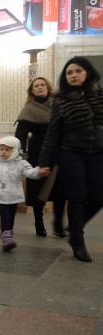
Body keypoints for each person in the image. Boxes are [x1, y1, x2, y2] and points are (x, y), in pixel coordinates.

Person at [39, 56, 103, 262]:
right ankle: (77, 240)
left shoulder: (100, 95)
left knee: (98, 197)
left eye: (78, 71)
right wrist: (45, 162)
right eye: (69, 72)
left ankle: (75, 225)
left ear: (88, 73)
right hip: (71, 153)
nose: (73, 75)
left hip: (98, 154)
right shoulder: (61, 99)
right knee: (78, 196)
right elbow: (52, 132)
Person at [15, 76, 68, 238]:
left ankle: (58, 224)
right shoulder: (28, 109)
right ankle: (39, 223)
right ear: (32, 90)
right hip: (37, 153)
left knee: (61, 191)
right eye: (36, 85)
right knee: (38, 190)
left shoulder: (58, 106)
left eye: (42, 85)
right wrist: (21, 156)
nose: (39, 87)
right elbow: (21, 135)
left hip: (58, 152)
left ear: (48, 87)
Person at [0, 136, 44, 251]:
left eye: (7, 150)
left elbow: (30, 173)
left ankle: (8, 237)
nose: (3, 152)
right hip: (0, 195)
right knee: (5, 217)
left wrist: (38, 172)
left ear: (14, 151)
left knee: (11, 218)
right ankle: (6, 240)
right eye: (1, 149)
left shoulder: (21, 164)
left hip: (14, 195)